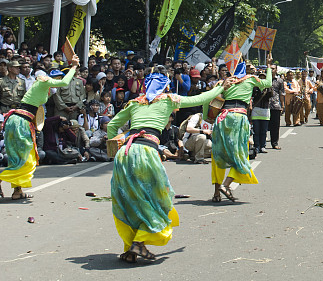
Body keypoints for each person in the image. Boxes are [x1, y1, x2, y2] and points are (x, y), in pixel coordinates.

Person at [107, 69, 226, 263]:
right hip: (146, 153)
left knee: (128, 200)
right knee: (156, 198)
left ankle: (130, 247)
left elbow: (112, 125)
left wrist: (116, 144)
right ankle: (139, 241)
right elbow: (202, 97)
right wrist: (221, 85)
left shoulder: (134, 102)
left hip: (125, 154)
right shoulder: (168, 99)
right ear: (165, 86)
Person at [0, 55, 79, 199]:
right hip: (20, 122)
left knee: (19, 157)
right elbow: (65, 82)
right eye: (56, 77)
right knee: (27, 158)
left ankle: (17, 191)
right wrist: (73, 66)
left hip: (19, 120)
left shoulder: (41, 86)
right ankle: (3, 179)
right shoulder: (44, 81)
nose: (57, 80)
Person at [210, 61, 272, 202]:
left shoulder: (223, 82)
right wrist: (268, 66)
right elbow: (268, 83)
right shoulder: (250, 79)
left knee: (218, 155)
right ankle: (226, 185)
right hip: (239, 118)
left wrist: (209, 119)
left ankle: (216, 193)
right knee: (241, 154)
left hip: (222, 118)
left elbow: (207, 101)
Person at [268, 63, 284, 148]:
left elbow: (281, 93)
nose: (271, 70)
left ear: (276, 70)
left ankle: (274, 143)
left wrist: (282, 105)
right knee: (264, 126)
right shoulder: (264, 78)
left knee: (275, 125)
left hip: (276, 104)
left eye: (273, 68)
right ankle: (261, 144)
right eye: (270, 68)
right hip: (265, 105)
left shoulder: (280, 81)